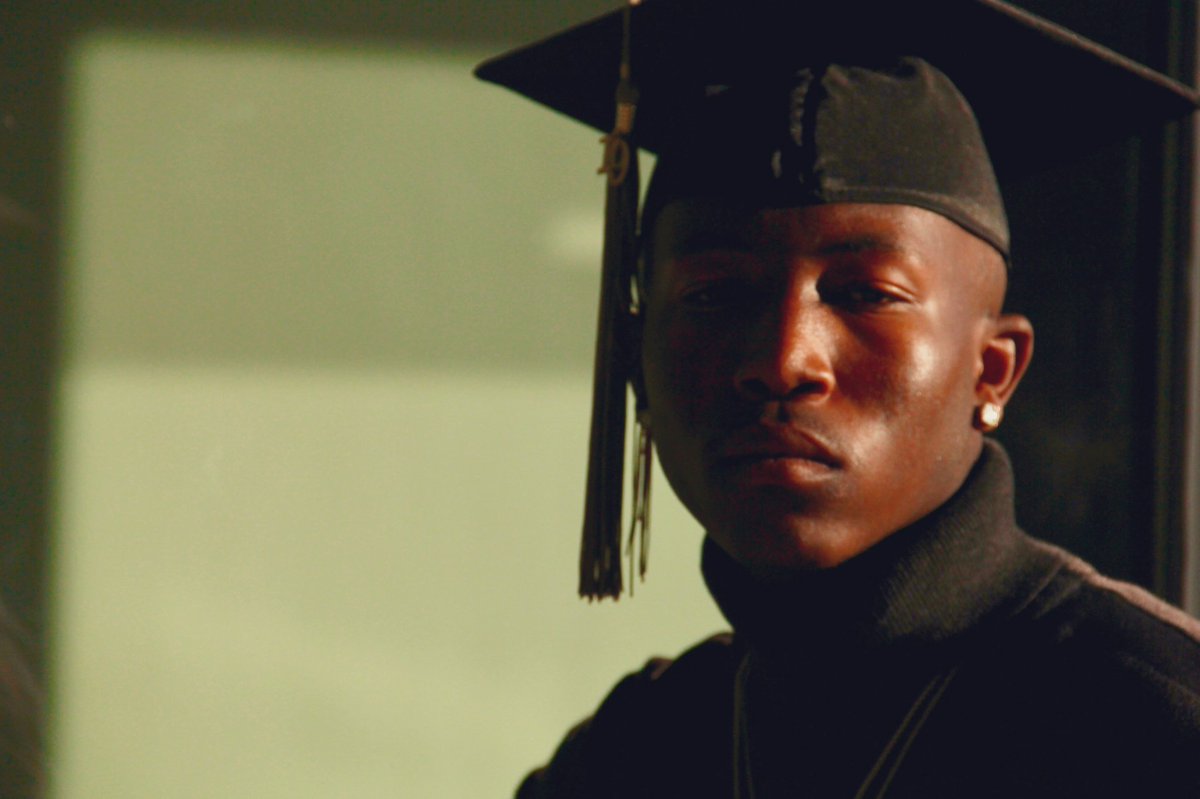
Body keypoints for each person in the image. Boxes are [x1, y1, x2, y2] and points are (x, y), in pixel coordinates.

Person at [477, 1, 1200, 795]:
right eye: (717, 295)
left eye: (865, 293)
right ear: (635, 363)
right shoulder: (637, 754)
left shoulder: (1154, 726)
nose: (784, 359)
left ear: (993, 371)